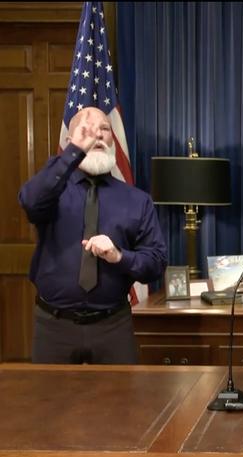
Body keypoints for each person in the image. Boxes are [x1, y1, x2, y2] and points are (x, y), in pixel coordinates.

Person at [19, 107, 167, 364]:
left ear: (113, 140)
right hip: (54, 327)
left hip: (113, 326)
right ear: (69, 140)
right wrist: (74, 153)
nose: (96, 135)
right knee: (49, 403)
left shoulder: (137, 200)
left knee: (120, 403)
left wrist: (119, 256)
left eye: (104, 129)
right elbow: (30, 202)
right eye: (86, 130)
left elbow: (155, 263)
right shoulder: (51, 191)